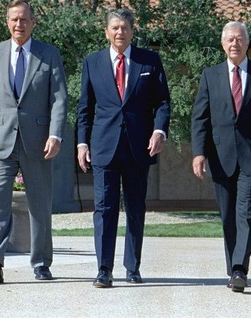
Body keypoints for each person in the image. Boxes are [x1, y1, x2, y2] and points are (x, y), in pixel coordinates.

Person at [0, 0, 67, 283]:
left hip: (37, 141)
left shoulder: (49, 54)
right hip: (0, 139)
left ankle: (41, 263)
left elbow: (59, 99)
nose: (19, 25)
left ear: (33, 22)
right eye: (14, 19)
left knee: (39, 203)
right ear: (7, 22)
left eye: (24, 19)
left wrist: (55, 134)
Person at [76, 8, 171, 288]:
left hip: (138, 147)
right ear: (106, 32)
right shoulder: (92, 63)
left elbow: (163, 102)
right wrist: (82, 142)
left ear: (132, 31)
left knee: (135, 208)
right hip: (104, 147)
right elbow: (85, 108)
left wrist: (159, 130)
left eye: (125, 28)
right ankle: (104, 269)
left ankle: (132, 267)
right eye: (115, 27)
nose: (120, 32)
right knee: (104, 209)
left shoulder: (149, 61)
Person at [191, 21, 251, 293]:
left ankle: (240, 268)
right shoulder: (210, 75)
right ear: (222, 44)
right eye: (229, 39)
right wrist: (198, 153)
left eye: (239, 39)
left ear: (247, 43)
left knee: (247, 212)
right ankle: (234, 269)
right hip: (220, 156)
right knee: (228, 215)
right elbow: (200, 118)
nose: (234, 43)